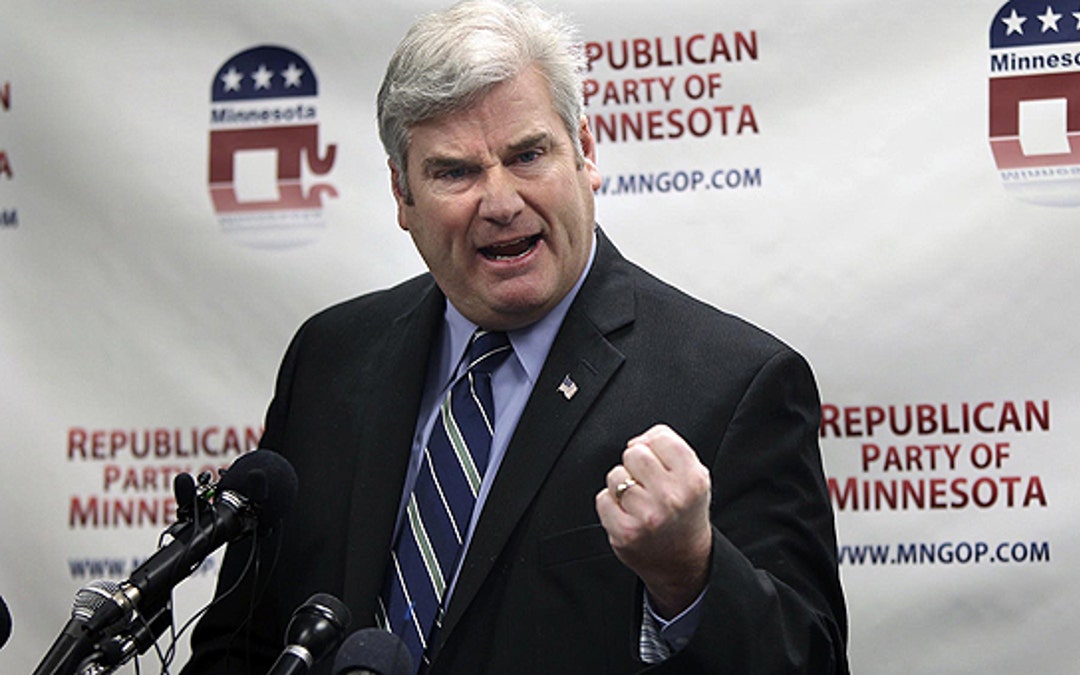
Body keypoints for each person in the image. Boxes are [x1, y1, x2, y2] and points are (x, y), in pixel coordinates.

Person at [183, 1, 849, 673]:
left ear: (585, 153)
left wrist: (689, 574)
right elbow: (241, 645)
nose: (500, 202)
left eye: (527, 154)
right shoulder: (329, 358)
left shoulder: (734, 383)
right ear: (401, 193)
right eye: (455, 171)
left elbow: (810, 660)